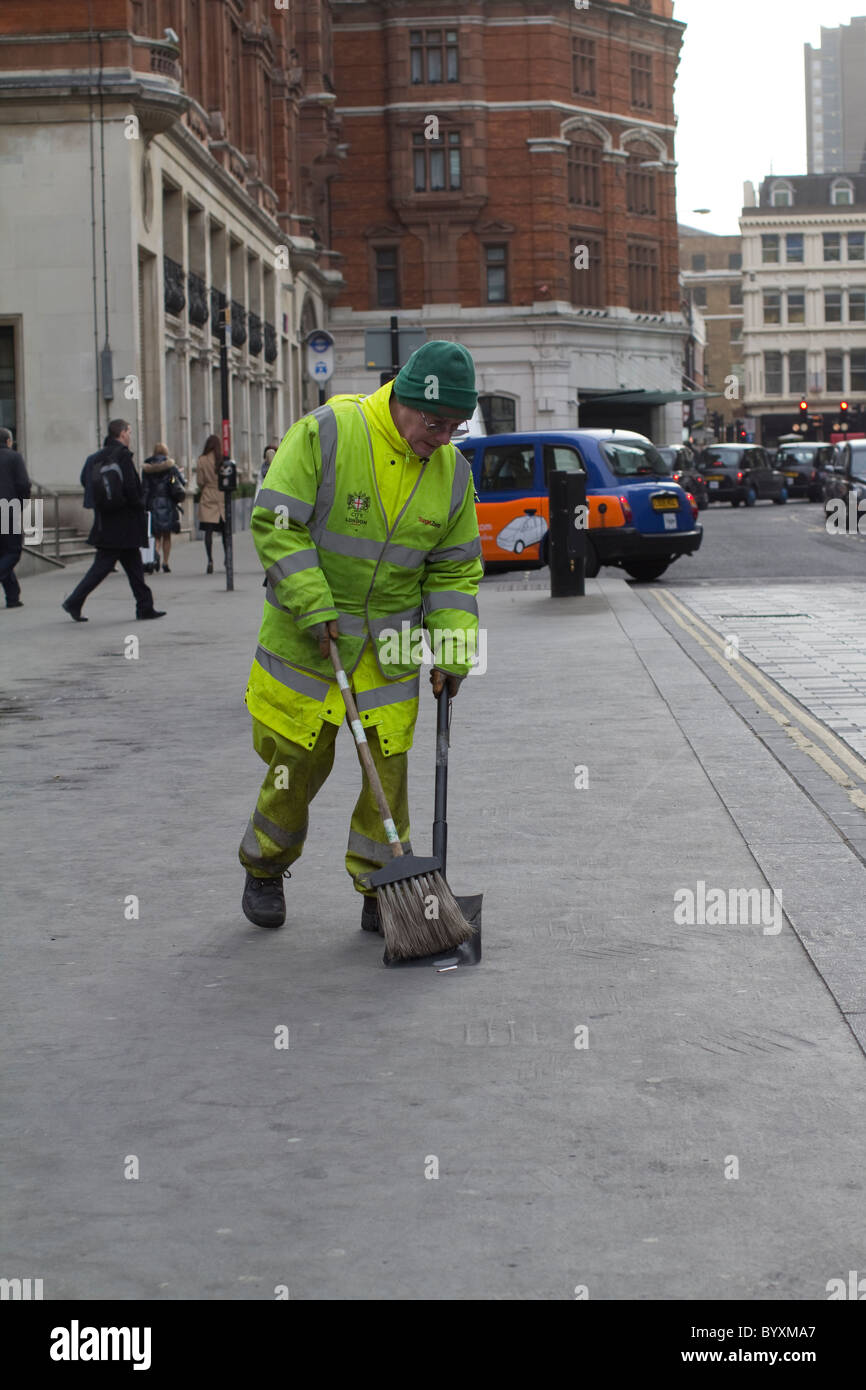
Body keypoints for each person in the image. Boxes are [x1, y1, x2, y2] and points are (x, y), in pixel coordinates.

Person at [238, 340, 483, 934]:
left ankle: (385, 888)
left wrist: (453, 652)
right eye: (435, 422)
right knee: (294, 765)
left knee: (389, 775)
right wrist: (312, 601)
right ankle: (265, 866)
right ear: (402, 399)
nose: (444, 437)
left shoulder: (452, 473)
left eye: (455, 426)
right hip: (311, 638)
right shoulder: (330, 431)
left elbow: (453, 571)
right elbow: (276, 521)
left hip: (391, 644)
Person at [61, 418, 165, 622]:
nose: (130, 436)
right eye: (129, 432)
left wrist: (104, 500)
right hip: (124, 521)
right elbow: (131, 488)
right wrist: (139, 504)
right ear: (123, 433)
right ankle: (74, 601)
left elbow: (85, 481)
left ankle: (145, 606)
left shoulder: (95, 458)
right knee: (101, 567)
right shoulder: (122, 456)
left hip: (106, 520)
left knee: (133, 565)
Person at [142, 442, 185, 573]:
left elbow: (144, 488)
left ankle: (154, 556)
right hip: (167, 504)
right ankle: (165, 562)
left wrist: (143, 505)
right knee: (167, 535)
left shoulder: (147, 468)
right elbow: (181, 483)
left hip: (153, 504)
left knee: (155, 535)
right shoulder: (171, 467)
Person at [0, 426, 30, 609]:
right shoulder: (14, 457)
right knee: (13, 551)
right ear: (9, 441)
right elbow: (23, 485)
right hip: (7, 510)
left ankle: (13, 596)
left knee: (3, 553)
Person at [196, 435, 225, 574]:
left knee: (208, 531)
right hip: (222, 496)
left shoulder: (202, 460)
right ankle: (227, 557)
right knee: (225, 531)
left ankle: (210, 560)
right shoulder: (223, 459)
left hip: (208, 495)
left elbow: (200, 481)